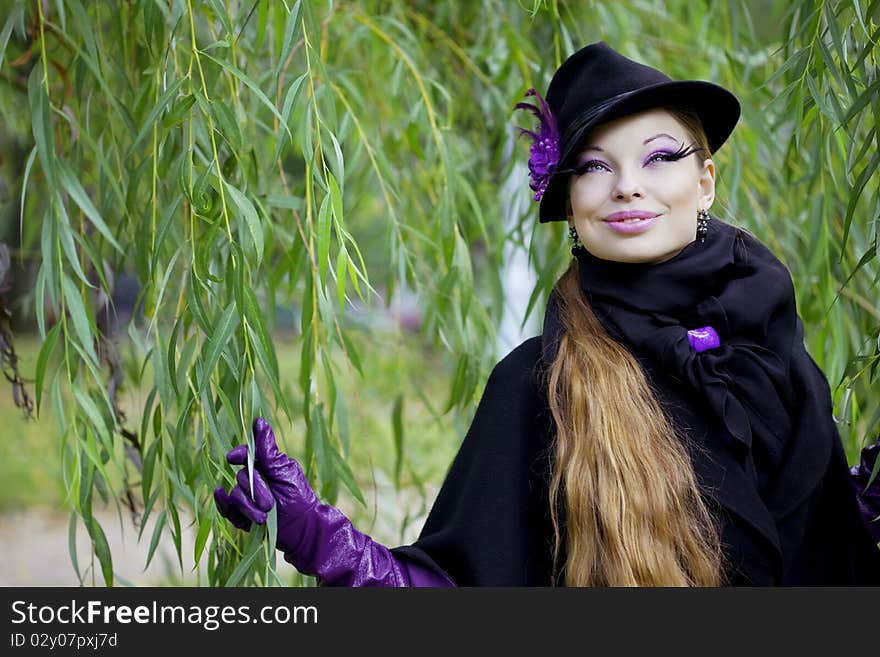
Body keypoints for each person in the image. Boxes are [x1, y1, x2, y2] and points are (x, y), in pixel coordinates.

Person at [214, 42, 880, 586]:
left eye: (660, 156)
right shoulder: (540, 384)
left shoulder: (773, 346)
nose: (628, 185)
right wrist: (318, 537)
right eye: (594, 167)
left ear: (705, 179)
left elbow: (820, 548)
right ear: (570, 205)